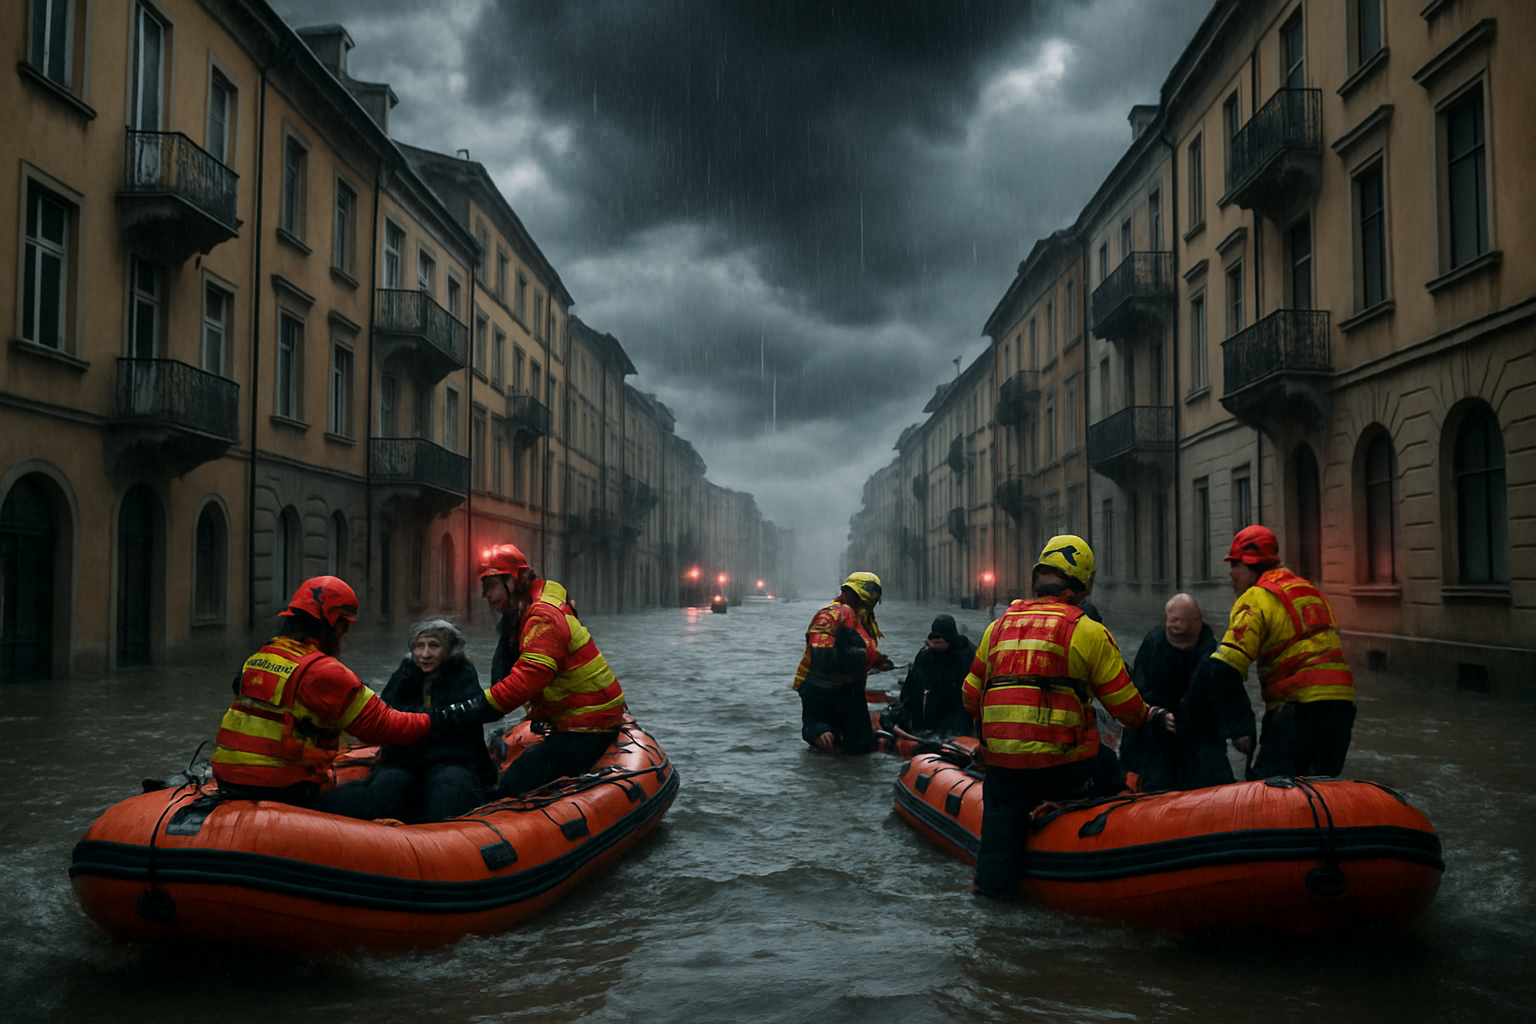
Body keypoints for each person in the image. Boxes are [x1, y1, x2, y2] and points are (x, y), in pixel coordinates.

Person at [962, 536, 1174, 898]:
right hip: (1060, 768)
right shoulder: (1088, 631)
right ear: (1082, 586)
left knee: (996, 853)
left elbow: (970, 694)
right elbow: (1126, 708)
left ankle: (992, 895)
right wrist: (1149, 716)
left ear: (1035, 580)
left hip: (1001, 766)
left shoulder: (997, 628)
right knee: (1105, 768)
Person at [211, 576, 433, 807]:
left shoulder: (260, 657)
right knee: (396, 785)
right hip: (282, 788)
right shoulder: (325, 671)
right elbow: (384, 726)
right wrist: (440, 720)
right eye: (345, 627)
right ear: (336, 624)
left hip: (228, 781)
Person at [433, 543, 627, 797]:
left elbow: (524, 683)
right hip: (572, 720)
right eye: (484, 586)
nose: (485, 595)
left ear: (515, 581)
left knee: (514, 783)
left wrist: (464, 711)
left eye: (490, 586)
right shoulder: (525, 611)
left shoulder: (542, 617)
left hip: (589, 726)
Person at [1197, 524, 1355, 779]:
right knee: (1319, 785)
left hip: (1297, 708)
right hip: (1342, 707)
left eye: (1234, 565)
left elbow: (1227, 667)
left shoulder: (1255, 598)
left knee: (1269, 786)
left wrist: (1240, 727)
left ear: (1250, 564)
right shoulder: (1310, 591)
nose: (1230, 575)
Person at [321, 619, 496, 822]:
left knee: (448, 790)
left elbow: (468, 727)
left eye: (434, 646)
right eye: (419, 646)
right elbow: (385, 714)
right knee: (388, 785)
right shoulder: (404, 675)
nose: (425, 654)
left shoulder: (463, 676)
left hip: (449, 760)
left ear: (450, 650)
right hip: (404, 761)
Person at [1119, 594, 1254, 790]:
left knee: (1213, 783)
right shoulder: (1153, 644)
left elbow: (1231, 695)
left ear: (1198, 622)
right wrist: (1157, 714)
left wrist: (1240, 732)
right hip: (1159, 740)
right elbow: (1139, 688)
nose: (1175, 625)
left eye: (1181, 621)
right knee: (1155, 784)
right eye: (1172, 620)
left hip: (1202, 740)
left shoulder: (1214, 656)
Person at [791, 571, 895, 754]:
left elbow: (862, 650)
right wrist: (817, 728)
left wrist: (876, 661)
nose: (865, 606)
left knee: (861, 747)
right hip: (821, 690)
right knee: (827, 741)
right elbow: (822, 656)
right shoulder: (830, 616)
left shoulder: (862, 620)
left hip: (851, 691)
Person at [886, 614, 976, 737]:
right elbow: (911, 691)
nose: (937, 642)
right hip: (928, 721)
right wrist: (902, 714)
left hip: (958, 720)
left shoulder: (965, 656)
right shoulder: (925, 656)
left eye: (941, 639)